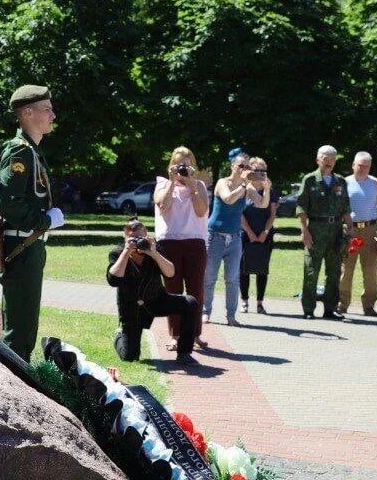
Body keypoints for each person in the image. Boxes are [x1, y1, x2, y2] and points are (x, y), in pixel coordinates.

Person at [0, 85, 64, 361]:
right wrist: (46, 220)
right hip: (22, 246)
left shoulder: (32, 152)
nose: (53, 115)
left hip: (29, 245)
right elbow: (9, 204)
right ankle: (14, 391)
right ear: (28, 113)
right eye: (47, 109)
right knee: (19, 334)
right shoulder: (20, 153)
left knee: (25, 327)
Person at [107, 219, 199, 364]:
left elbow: (170, 274)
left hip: (156, 300)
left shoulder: (154, 249)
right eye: (133, 238)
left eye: (140, 238)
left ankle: (184, 353)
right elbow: (113, 280)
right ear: (125, 238)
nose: (138, 242)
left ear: (147, 235)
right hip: (132, 310)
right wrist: (126, 252)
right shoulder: (117, 253)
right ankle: (119, 335)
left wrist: (154, 254)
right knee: (130, 356)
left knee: (189, 302)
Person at [154, 146, 210, 350]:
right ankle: (175, 335)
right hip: (169, 243)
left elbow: (202, 210)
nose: (183, 169)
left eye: (187, 165)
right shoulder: (162, 183)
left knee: (196, 290)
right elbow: (162, 204)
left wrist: (192, 184)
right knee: (173, 290)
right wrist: (171, 181)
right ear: (171, 166)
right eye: (179, 164)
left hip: (194, 242)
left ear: (193, 166)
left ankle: (194, 335)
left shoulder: (200, 186)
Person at [204, 149, 267, 326]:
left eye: (247, 166)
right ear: (232, 166)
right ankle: (205, 312)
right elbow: (229, 199)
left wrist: (266, 189)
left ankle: (231, 316)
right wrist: (245, 185)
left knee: (232, 279)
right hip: (215, 237)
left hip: (235, 238)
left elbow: (262, 204)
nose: (244, 169)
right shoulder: (223, 182)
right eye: (241, 166)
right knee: (210, 278)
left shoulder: (247, 187)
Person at [296, 146, 350, 319]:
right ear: (318, 159)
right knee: (311, 270)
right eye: (325, 158)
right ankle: (308, 309)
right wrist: (304, 231)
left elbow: (346, 208)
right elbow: (301, 207)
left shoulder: (340, 181)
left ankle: (330, 309)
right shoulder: (310, 180)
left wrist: (350, 228)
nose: (329, 162)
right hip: (316, 230)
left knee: (334, 272)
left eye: (332, 159)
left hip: (335, 231)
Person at [336, 151, 377, 316]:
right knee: (345, 270)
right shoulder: (344, 183)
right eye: (360, 165)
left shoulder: (376, 183)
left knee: (370, 271)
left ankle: (369, 306)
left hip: (370, 230)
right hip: (349, 230)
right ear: (353, 165)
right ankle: (342, 304)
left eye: (366, 166)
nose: (363, 169)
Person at [240, 157, 278, 314]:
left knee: (262, 269)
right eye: (257, 171)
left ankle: (260, 303)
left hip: (265, 235)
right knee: (243, 268)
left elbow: (272, 215)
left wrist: (264, 232)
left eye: (263, 171)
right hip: (245, 235)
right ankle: (244, 301)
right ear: (249, 172)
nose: (260, 174)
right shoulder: (244, 190)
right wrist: (249, 233)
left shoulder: (271, 191)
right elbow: (239, 214)